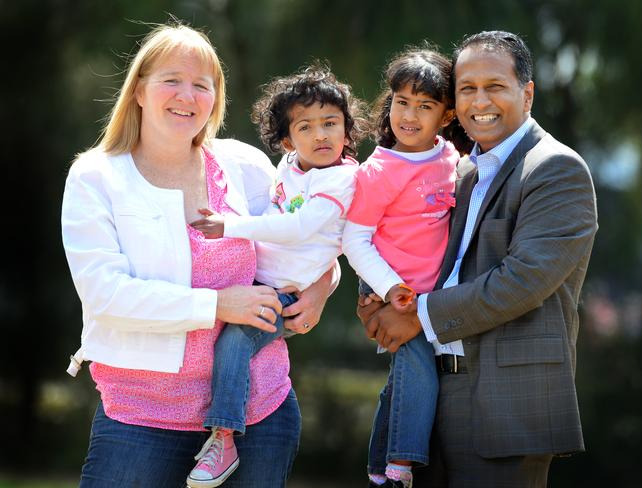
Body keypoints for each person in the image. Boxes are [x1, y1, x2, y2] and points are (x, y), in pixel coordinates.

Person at [61, 23, 335, 488]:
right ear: (140, 91)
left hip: (259, 412)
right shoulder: (96, 178)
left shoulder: (243, 165)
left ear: (215, 98)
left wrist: (323, 284)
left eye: (201, 84)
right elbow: (105, 294)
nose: (186, 95)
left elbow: (308, 234)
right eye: (172, 79)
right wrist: (217, 305)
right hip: (141, 418)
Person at [357, 30, 598, 487]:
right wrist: (382, 294)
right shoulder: (462, 170)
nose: (478, 100)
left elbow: (522, 281)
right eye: (467, 88)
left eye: (495, 86)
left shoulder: (555, 168)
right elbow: (413, 243)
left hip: (507, 408)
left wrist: (416, 316)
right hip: (433, 394)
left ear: (527, 93)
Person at [186, 64, 366, 487]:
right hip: (258, 283)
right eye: (306, 127)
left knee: (236, 339)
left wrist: (229, 225)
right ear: (287, 140)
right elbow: (275, 212)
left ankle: (225, 435)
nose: (320, 135)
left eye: (331, 123)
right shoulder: (288, 166)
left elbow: (298, 228)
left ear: (347, 130)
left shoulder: (343, 178)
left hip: (283, 293)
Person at [341, 46, 470, 488]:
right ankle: (401, 468)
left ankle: (378, 469)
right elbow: (353, 240)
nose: (409, 115)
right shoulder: (378, 171)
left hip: (427, 299)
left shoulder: (451, 160)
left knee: (402, 382)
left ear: (447, 116)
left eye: (425, 106)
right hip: (388, 292)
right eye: (402, 102)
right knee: (419, 376)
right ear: (389, 103)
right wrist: (389, 287)